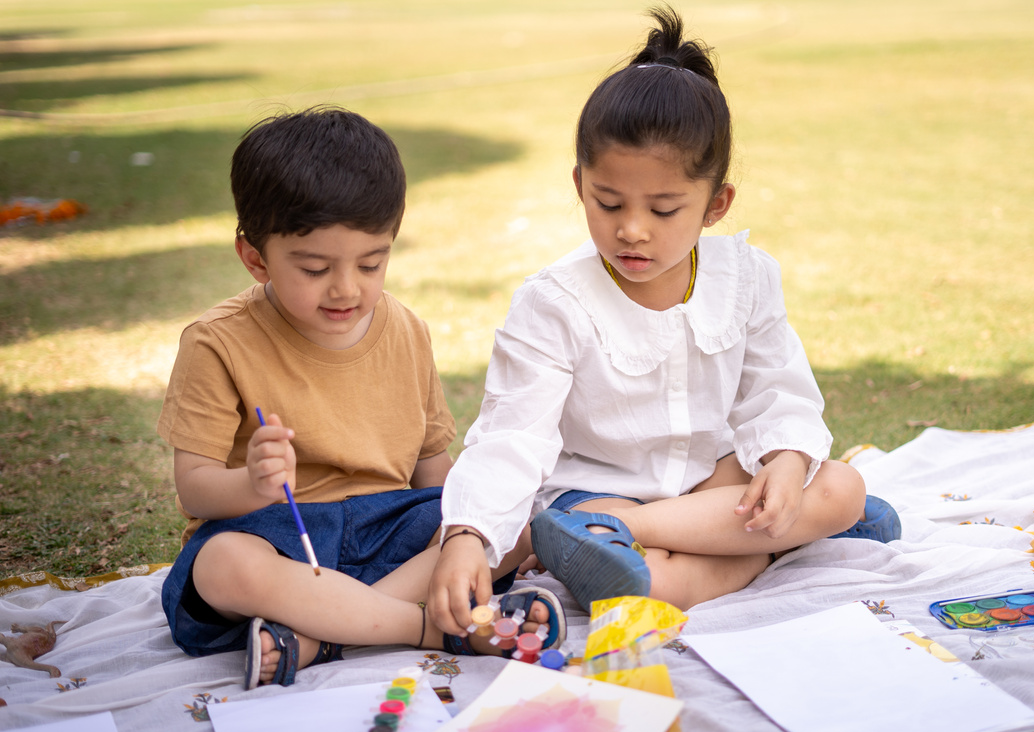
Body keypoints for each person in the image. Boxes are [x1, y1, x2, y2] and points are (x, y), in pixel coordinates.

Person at [428, 5, 901, 634]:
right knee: (764, 533)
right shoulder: (554, 302)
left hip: (708, 487)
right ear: (579, 184)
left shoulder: (747, 277)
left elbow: (777, 390)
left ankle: (631, 540)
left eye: (664, 208)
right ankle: (643, 543)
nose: (632, 229)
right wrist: (467, 533)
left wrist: (787, 461)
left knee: (840, 487)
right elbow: (512, 435)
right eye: (608, 202)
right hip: (594, 492)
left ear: (716, 204)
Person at [157, 107, 564, 689]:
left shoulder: (406, 329)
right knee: (222, 567)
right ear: (254, 257)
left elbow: (432, 471)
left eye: (371, 263)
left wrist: (464, 534)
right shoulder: (217, 342)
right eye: (315, 268)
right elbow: (193, 486)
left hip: (389, 530)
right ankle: (431, 627)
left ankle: (317, 636)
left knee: (510, 518)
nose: (348, 288)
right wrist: (251, 484)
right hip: (278, 537)